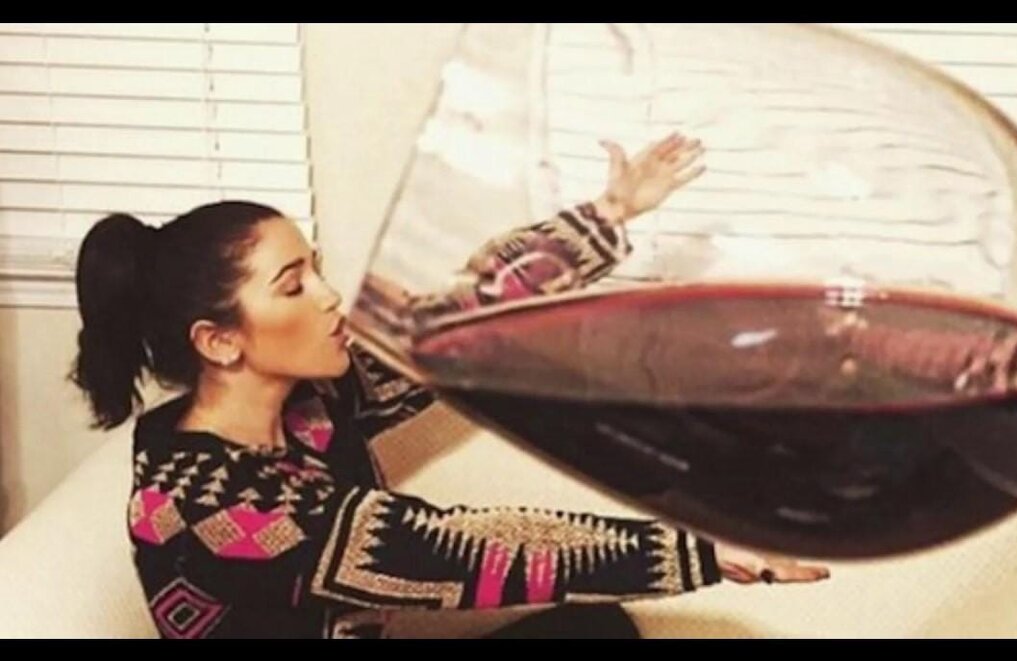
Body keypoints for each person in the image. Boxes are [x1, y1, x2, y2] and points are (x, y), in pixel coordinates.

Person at [70, 133, 829, 639]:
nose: (331, 298)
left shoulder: (312, 406)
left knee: (594, 630)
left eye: (317, 271)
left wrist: (609, 215)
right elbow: (454, 549)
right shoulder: (201, 502)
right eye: (293, 286)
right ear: (219, 341)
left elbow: (454, 321)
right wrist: (703, 552)